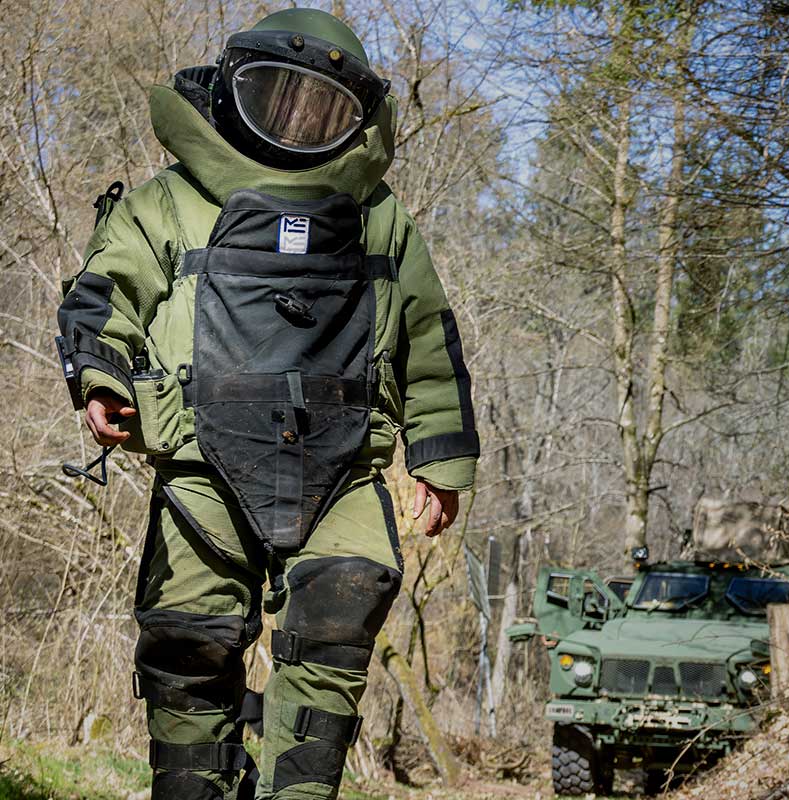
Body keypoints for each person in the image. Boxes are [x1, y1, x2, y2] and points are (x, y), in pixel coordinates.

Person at [56, 8, 479, 800]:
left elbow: (429, 344)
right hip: (198, 462)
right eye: (275, 95)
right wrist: (103, 378)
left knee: (340, 612)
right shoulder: (169, 202)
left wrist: (442, 461)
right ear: (229, 92)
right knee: (190, 639)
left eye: (320, 106)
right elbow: (104, 294)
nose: (295, 118)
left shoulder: (381, 221)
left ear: (358, 120)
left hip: (345, 465)